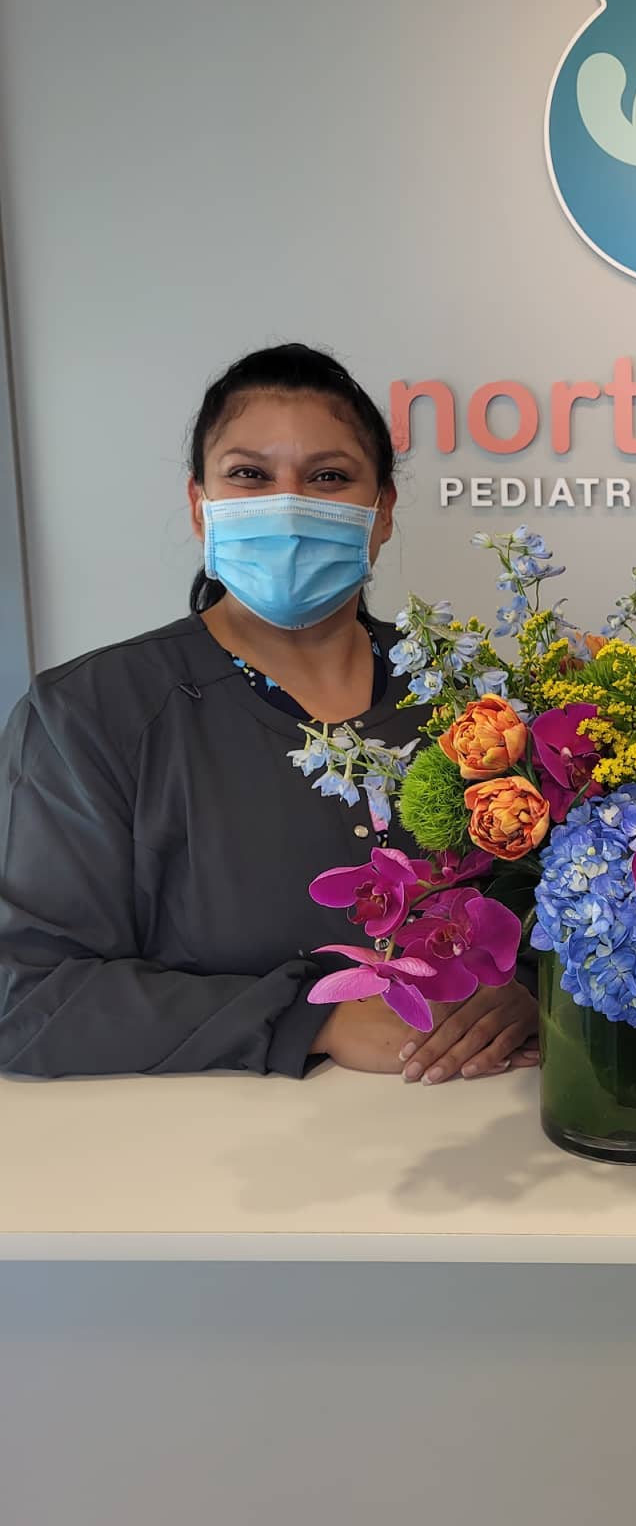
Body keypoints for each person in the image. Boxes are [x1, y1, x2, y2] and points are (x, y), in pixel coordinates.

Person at [0, 345, 536, 1083]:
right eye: (250, 475)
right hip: (211, 1144)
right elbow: (29, 999)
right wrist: (314, 1021)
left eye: (329, 477)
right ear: (201, 506)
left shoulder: (473, 703)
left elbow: (564, 917)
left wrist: (528, 992)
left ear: (382, 512)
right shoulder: (88, 714)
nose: (288, 509)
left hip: (479, 1123)